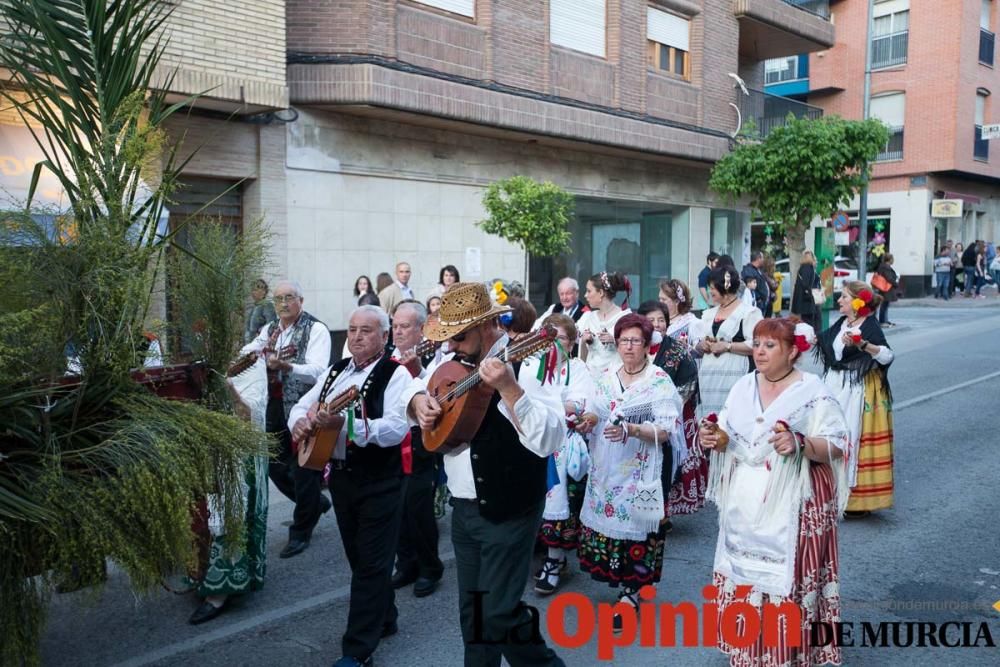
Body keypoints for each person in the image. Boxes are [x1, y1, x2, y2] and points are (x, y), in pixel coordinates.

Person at [405, 282, 567, 667]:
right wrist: (417, 403)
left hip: (510, 509)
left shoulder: (528, 363)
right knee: (474, 615)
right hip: (464, 512)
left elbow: (550, 437)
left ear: (488, 326)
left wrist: (510, 389)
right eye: (448, 338)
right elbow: (412, 388)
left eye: (459, 337)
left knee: (498, 613)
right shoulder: (452, 361)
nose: (452, 346)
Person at [700, 317, 850, 667]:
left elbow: (838, 443)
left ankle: (789, 653)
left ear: (793, 351)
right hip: (744, 500)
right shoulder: (742, 387)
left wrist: (800, 443)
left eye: (770, 345)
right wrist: (715, 439)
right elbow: (728, 433)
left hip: (793, 503)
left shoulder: (812, 391)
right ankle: (749, 647)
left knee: (787, 580)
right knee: (743, 573)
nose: (760, 352)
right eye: (756, 344)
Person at [289, 305, 412, 667]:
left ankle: (357, 651)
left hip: (381, 479)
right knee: (360, 559)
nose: (356, 336)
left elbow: (396, 428)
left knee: (373, 563)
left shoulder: (395, 374)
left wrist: (349, 427)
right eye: (353, 329)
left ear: (384, 337)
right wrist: (300, 422)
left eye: (367, 330)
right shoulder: (336, 371)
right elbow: (302, 405)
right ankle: (385, 617)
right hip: (341, 478)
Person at [574, 314, 684, 632]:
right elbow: (595, 408)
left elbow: (666, 430)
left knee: (641, 528)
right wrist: (589, 421)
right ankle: (622, 583)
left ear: (647, 344)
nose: (629, 347)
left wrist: (633, 430)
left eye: (636, 341)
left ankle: (631, 593)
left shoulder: (658, 380)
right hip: (607, 467)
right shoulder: (606, 375)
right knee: (610, 524)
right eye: (624, 340)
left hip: (643, 470)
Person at [240, 280, 331, 558]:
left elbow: (318, 371)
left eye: (289, 298)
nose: (283, 304)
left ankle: (301, 531)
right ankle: (313, 503)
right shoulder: (270, 330)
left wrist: (287, 366)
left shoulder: (316, 329)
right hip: (275, 404)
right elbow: (248, 351)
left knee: (305, 469)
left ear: (300, 301)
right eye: (278, 299)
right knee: (275, 465)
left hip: (304, 406)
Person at [188, 362, 270, 625]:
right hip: (202, 452)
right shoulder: (196, 363)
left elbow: (249, 415)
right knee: (198, 515)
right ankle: (200, 574)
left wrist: (229, 391)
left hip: (237, 454)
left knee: (225, 514)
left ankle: (220, 589)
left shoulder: (253, 363)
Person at [814, 281, 894, 515]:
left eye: (845, 297)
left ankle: (853, 500)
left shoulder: (869, 327)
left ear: (858, 302)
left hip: (855, 389)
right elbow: (824, 341)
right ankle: (828, 493)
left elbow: (887, 356)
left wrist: (863, 344)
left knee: (849, 438)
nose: (839, 300)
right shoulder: (842, 323)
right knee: (826, 434)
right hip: (833, 386)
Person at [531, 313, 595, 596]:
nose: (553, 344)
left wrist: (544, 407)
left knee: (559, 505)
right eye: (548, 338)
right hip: (533, 441)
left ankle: (555, 561)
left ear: (571, 343)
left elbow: (577, 404)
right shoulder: (534, 365)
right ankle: (540, 554)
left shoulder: (577, 368)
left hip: (561, 445)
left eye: (560, 339)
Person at [387, 302, 445, 599]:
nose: (397, 331)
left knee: (418, 505)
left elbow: (439, 397)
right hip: (389, 440)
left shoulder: (437, 360)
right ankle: (406, 562)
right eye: (395, 325)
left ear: (422, 330)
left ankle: (429, 567)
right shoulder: (387, 356)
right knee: (395, 504)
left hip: (419, 440)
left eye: (404, 326)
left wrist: (418, 372)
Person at [636, 301, 705, 524]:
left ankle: (662, 512)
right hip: (638, 414)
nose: (657, 325)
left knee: (665, 462)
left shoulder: (677, 351)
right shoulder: (635, 346)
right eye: (651, 320)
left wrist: (665, 407)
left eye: (661, 320)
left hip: (671, 415)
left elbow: (688, 385)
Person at [696, 266, 764, 418]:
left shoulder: (749, 313)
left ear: (724, 289)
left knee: (734, 416)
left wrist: (727, 346)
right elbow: (699, 341)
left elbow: (758, 344)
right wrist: (703, 344)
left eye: (712, 288)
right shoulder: (709, 313)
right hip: (709, 380)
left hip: (735, 377)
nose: (709, 291)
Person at [577, 271, 632, 376]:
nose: (585, 295)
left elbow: (634, 349)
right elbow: (583, 358)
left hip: (615, 377)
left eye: (589, 291)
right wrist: (584, 341)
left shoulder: (625, 318)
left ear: (601, 293)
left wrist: (616, 340)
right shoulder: (589, 317)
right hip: (591, 376)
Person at [658, 278, 699, 349]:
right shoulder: (657, 320)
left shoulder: (691, 323)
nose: (660, 302)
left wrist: (686, 347)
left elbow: (700, 353)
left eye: (664, 299)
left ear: (677, 301)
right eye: (659, 299)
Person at [791, 250, 822, 330]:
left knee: (809, 321)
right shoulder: (808, 268)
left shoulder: (803, 268)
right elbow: (806, 284)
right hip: (807, 301)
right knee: (810, 322)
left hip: (805, 300)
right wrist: (810, 295)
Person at [244, 279, 277, 344]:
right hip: (250, 346)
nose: (253, 292)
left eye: (256, 289)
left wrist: (260, 337)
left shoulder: (267, 305)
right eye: (253, 290)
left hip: (259, 346)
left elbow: (271, 326)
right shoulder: (254, 307)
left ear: (264, 291)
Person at [742, 251, 772, 318]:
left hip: (764, 303)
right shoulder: (749, 270)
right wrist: (758, 299)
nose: (763, 260)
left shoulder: (758, 270)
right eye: (762, 258)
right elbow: (750, 285)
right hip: (758, 303)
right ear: (758, 259)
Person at [875, 254, 899, 327]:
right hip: (886, 288)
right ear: (889, 259)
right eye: (892, 258)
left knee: (885, 304)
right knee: (884, 305)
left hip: (885, 288)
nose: (893, 260)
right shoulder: (885, 267)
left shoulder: (883, 266)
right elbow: (889, 278)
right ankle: (883, 321)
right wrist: (895, 284)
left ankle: (885, 320)